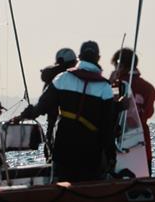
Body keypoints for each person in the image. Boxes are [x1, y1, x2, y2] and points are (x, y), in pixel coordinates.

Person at [14, 41, 116, 183]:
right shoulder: (105, 87)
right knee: (89, 188)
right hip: (90, 151)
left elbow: (40, 107)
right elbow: (107, 127)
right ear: (98, 58)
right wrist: (111, 155)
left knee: (62, 186)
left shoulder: (62, 78)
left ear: (79, 57)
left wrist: (21, 116)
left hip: (63, 147)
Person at [111, 47, 155, 173]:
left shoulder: (115, 85)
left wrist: (110, 82)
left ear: (120, 65)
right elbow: (149, 113)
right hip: (140, 142)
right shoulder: (148, 88)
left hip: (116, 140)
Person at [39, 48, 77, 160]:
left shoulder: (51, 79)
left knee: (51, 154)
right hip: (66, 126)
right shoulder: (68, 79)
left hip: (52, 123)